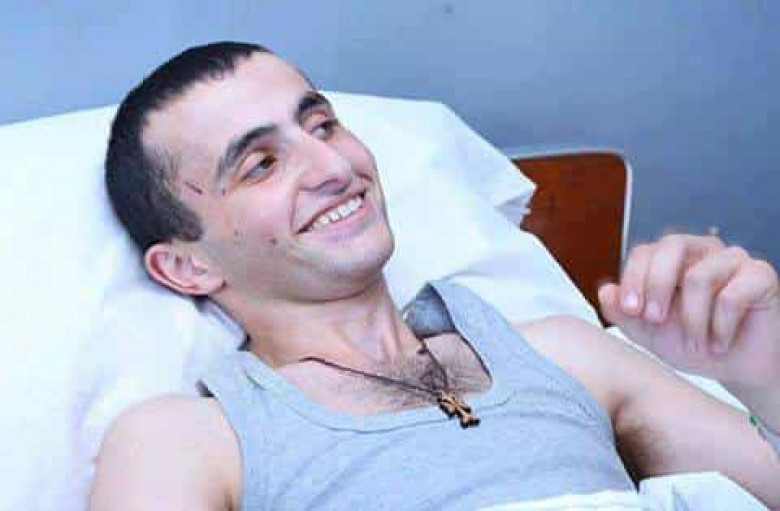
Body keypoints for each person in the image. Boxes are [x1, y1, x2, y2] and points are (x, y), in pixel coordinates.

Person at [90, 41, 780, 510]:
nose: (335, 167)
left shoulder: (564, 352)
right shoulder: (189, 439)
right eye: (261, 164)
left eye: (322, 125)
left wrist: (761, 367)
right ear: (187, 265)